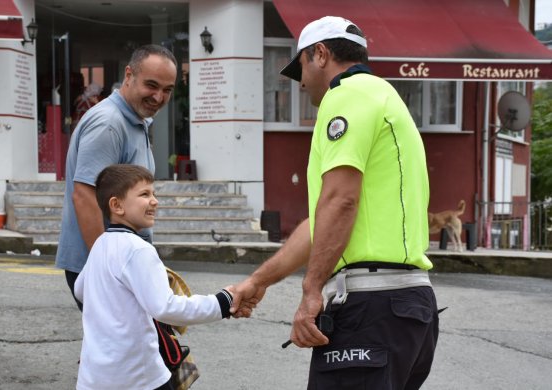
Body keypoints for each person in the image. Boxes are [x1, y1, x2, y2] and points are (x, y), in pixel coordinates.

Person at [230, 16, 439, 389]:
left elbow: (341, 201)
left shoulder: (345, 95)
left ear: (321, 55)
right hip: (407, 306)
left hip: (371, 306)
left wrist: (312, 292)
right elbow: (321, 221)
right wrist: (259, 281)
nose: (302, 83)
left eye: (302, 68)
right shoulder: (383, 96)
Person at [74, 164, 233, 390]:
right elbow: (165, 307)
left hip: (94, 377)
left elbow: (81, 289)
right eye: (144, 194)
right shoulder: (138, 249)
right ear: (116, 205)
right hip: (138, 378)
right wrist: (221, 303)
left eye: (154, 193)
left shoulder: (101, 244)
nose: (155, 201)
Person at [55, 44, 177, 310]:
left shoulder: (135, 119)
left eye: (167, 90)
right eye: (151, 85)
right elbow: (85, 196)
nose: (158, 97)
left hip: (123, 264)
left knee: (124, 348)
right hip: (108, 267)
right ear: (129, 75)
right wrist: (108, 269)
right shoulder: (109, 123)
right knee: (123, 348)